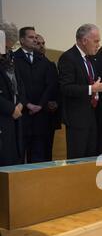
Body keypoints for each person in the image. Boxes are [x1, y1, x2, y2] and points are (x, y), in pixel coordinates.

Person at [58, 24, 102, 159]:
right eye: (96, 41)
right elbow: (65, 87)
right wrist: (92, 89)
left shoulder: (89, 59)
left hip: (92, 116)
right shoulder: (68, 57)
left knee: (90, 159)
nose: (98, 45)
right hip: (76, 119)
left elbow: (94, 83)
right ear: (84, 41)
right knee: (77, 160)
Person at [14, 26, 57, 163]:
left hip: (40, 115)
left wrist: (40, 105)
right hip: (21, 114)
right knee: (20, 156)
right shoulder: (13, 58)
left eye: (35, 37)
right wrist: (27, 104)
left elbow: (49, 85)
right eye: (31, 37)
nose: (35, 40)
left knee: (38, 156)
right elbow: (15, 86)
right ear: (21, 40)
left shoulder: (43, 60)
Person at [0, 22, 25, 166]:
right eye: (7, 46)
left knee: (14, 160)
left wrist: (21, 103)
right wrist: (11, 108)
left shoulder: (10, 58)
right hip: (4, 115)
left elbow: (20, 84)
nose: (8, 50)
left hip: (14, 117)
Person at [34, 33, 60, 161]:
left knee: (48, 151)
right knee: (36, 153)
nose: (41, 46)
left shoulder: (50, 64)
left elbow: (56, 87)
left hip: (49, 116)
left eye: (43, 43)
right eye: (38, 43)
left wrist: (56, 102)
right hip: (34, 114)